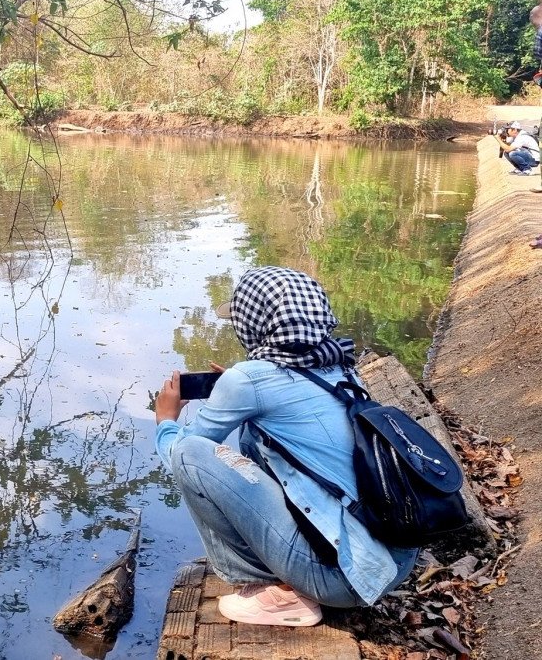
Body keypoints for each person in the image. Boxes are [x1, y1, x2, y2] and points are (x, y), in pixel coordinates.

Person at [153, 266, 418, 627]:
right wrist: (238, 384)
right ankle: (291, 574)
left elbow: (183, 459)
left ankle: (274, 593)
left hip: (343, 580)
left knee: (189, 452)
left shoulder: (250, 380)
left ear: (254, 321)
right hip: (393, 564)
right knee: (253, 435)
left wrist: (166, 422)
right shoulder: (341, 368)